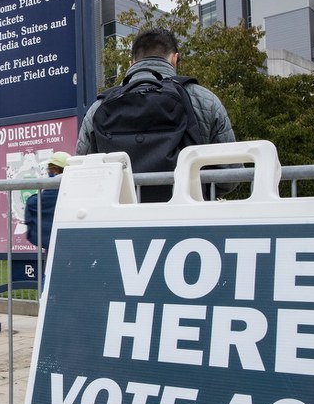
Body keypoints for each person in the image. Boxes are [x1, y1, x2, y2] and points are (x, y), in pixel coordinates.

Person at [76, 27, 237, 199]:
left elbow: (81, 172)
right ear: (175, 59)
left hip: (118, 213)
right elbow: (229, 176)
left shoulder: (99, 106)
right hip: (186, 211)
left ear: (131, 63)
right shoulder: (205, 100)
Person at [23, 151, 68, 250]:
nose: (47, 171)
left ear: (55, 170)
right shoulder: (73, 185)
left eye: (48, 169)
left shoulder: (53, 188)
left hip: (56, 243)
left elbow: (33, 204)